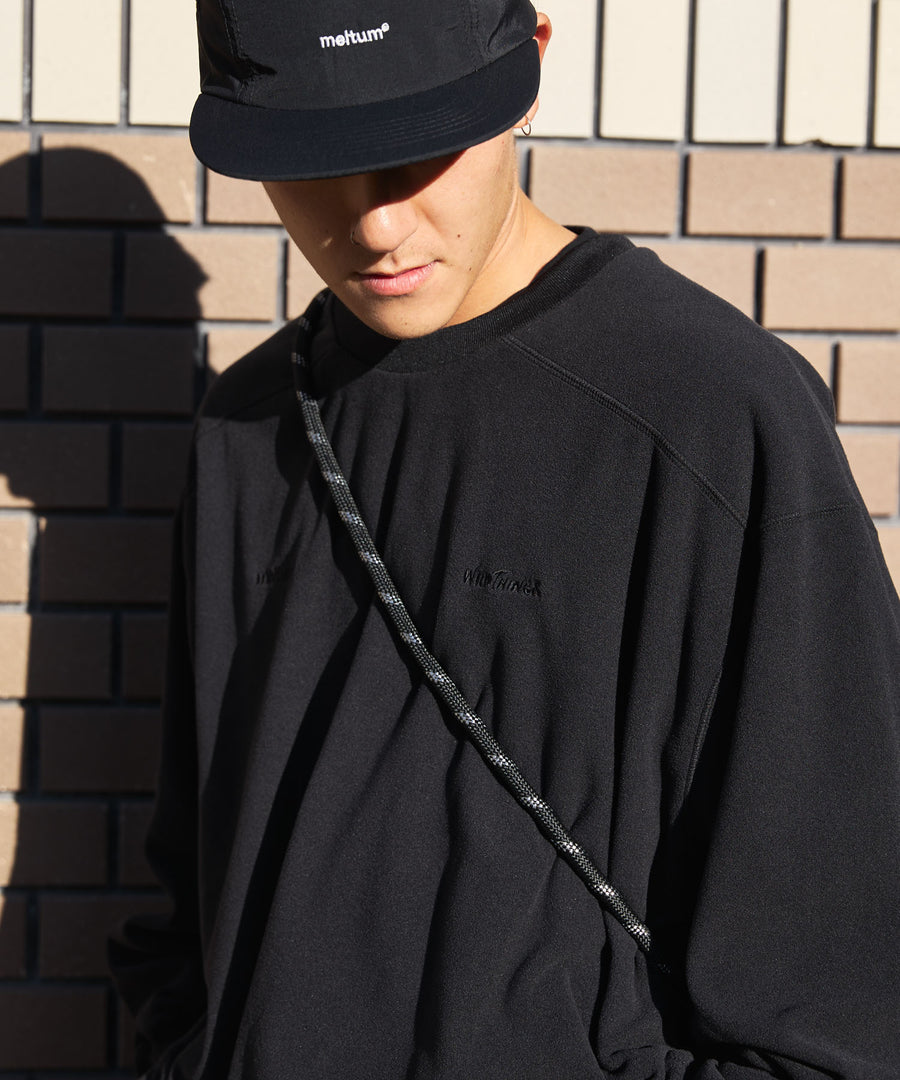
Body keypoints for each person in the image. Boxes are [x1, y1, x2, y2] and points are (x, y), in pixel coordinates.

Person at [109, 1, 900, 1076]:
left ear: (529, 66)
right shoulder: (246, 431)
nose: (374, 224)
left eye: (419, 147)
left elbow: (839, 985)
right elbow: (189, 874)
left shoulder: (715, 421)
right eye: (313, 160)